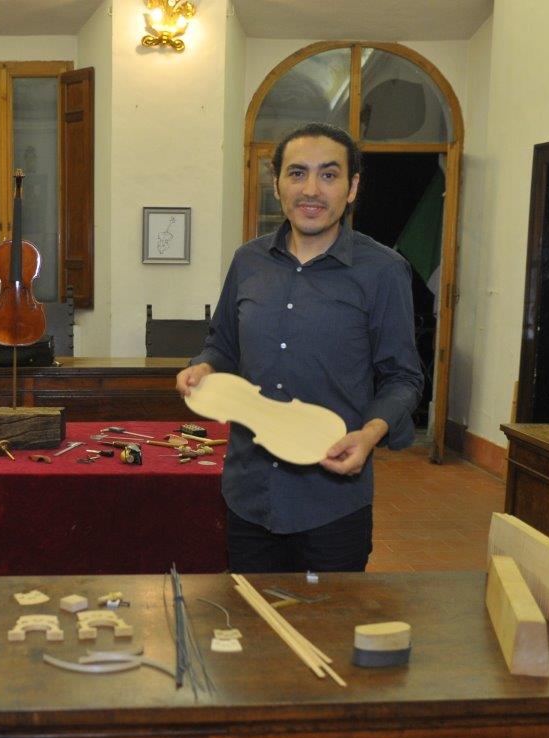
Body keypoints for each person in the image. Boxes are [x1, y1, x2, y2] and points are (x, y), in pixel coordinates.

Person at [176, 122, 423, 573]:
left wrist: (369, 435)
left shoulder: (383, 271)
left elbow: (403, 377)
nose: (311, 190)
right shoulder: (248, 261)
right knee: (250, 613)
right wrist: (204, 367)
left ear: (352, 187)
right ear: (277, 185)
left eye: (328, 175)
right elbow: (222, 345)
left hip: (332, 502)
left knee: (327, 619)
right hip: (248, 494)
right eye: (297, 173)